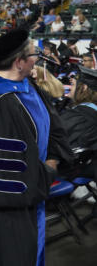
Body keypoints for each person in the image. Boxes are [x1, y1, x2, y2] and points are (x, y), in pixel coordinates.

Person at [0, 29, 70, 266]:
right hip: (9, 216)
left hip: (33, 198)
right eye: (34, 53)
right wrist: (49, 170)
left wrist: (51, 160)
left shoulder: (26, 86)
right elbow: (6, 178)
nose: (38, 58)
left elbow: (55, 126)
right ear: (19, 62)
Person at [61, 66, 97, 218]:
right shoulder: (90, 111)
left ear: (84, 87)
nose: (70, 88)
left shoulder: (78, 116)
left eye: (74, 85)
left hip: (70, 168)